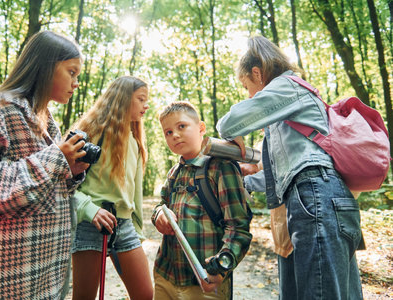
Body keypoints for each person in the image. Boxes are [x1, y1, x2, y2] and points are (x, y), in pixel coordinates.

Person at [0, 31, 89, 299]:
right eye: (71, 72)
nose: (76, 83)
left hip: (38, 274)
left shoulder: (47, 121)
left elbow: (36, 190)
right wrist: (56, 159)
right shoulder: (1, 110)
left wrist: (70, 171)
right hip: (0, 278)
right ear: (45, 68)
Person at [217, 36, 364, 299]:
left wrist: (230, 130)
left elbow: (229, 123)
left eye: (247, 86)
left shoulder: (286, 87)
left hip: (316, 195)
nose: (249, 94)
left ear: (257, 73)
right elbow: (280, 175)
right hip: (323, 196)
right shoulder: (287, 109)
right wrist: (244, 183)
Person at [152, 101, 252, 300]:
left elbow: (238, 227)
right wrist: (159, 216)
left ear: (201, 128)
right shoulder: (174, 173)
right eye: (168, 132)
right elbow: (160, 206)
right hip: (166, 276)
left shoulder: (221, 166)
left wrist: (222, 268)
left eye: (181, 126)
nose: (175, 135)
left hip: (206, 281)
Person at [70, 76, 153, 300]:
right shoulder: (91, 133)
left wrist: (137, 230)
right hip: (91, 222)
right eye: (141, 99)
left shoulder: (135, 141)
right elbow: (64, 185)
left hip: (124, 226)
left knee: (145, 294)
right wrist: (89, 209)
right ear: (123, 99)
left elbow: (133, 194)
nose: (146, 105)